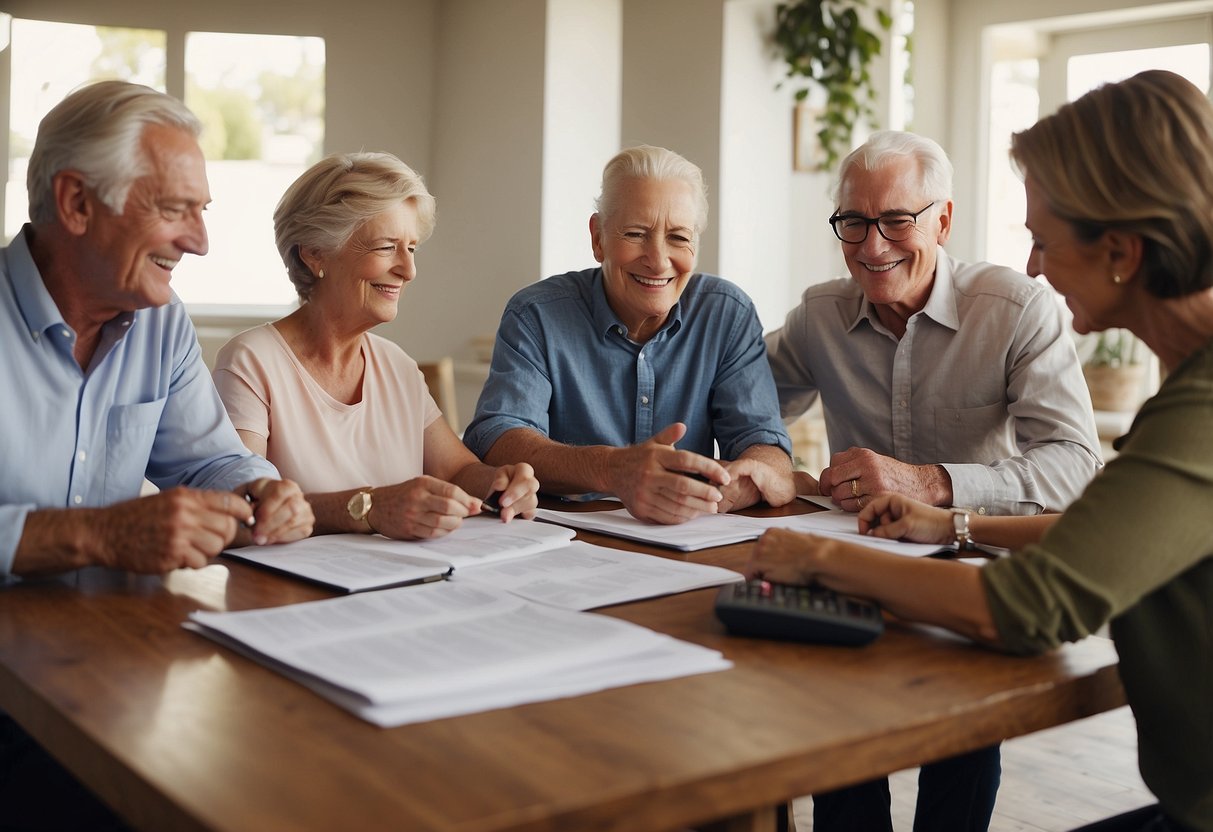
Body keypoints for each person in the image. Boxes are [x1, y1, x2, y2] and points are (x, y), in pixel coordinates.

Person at [747, 69, 1213, 832]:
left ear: (1122, 250)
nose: (1032, 265)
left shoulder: (1193, 406)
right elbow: (1117, 531)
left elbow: (1031, 606)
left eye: (1042, 240)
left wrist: (819, 558)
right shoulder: (1187, 388)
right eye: (852, 224)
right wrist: (952, 527)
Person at [0, 80, 313, 829]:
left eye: (200, 211)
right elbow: (109, 534)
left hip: (96, 668)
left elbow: (208, 460)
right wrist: (102, 534)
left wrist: (262, 488)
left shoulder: (159, 323)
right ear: (76, 204)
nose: (199, 241)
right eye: (175, 210)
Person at [766, 130, 1102, 518]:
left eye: (897, 221)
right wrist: (774, 466)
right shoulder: (819, 316)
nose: (873, 247)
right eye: (855, 221)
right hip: (855, 549)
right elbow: (738, 399)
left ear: (942, 222)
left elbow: (1077, 466)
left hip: (979, 551)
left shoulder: (1016, 311)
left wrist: (932, 483)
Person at [463, 145, 795, 525]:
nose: (657, 259)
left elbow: (764, 441)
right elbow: (498, 438)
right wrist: (612, 468)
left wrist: (747, 478)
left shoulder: (727, 314)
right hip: (562, 541)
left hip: (688, 539)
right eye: (636, 233)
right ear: (598, 238)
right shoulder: (536, 314)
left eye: (678, 237)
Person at [213, 152, 539, 539]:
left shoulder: (396, 365)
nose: (409, 270)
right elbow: (240, 508)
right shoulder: (251, 361)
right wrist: (369, 507)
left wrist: (501, 483)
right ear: (315, 252)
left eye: (412, 248)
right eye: (387, 247)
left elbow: (456, 471)